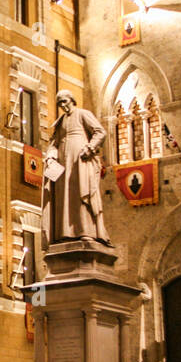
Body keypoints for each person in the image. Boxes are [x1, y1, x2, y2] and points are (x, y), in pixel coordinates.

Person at [42, 89, 111, 247]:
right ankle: (66, 233)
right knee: (64, 197)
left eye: (64, 101)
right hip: (63, 164)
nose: (63, 105)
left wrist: (90, 147)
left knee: (81, 194)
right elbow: (54, 143)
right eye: (59, 103)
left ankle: (85, 231)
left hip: (80, 160)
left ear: (72, 100)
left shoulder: (82, 114)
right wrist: (51, 156)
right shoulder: (60, 122)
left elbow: (100, 132)